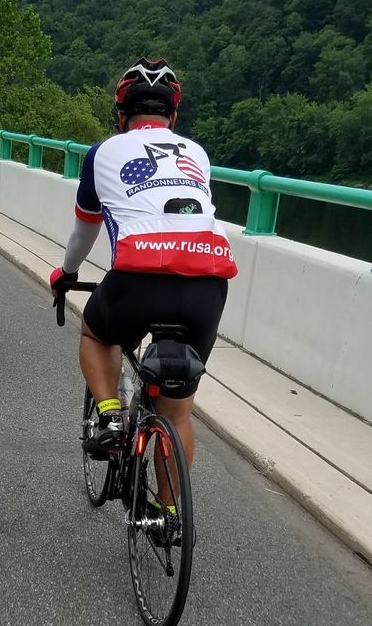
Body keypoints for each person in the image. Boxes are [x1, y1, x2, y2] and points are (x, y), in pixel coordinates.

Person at [50, 56, 238, 484]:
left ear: (121, 116)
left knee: (96, 333)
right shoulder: (197, 153)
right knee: (179, 413)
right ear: (173, 116)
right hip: (207, 282)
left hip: (139, 278)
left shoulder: (102, 152)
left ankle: (111, 416)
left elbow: (84, 231)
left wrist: (66, 273)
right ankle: (169, 512)